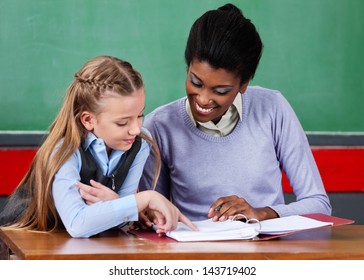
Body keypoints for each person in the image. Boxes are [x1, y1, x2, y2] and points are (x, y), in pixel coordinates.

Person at [138, 4, 332, 224]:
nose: (203, 99)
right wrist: (152, 217)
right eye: (196, 82)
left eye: (221, 91)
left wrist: (261, 213)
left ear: (243, 85)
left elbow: (319, 204)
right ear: (187, 68)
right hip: (194, 254)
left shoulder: (273, 107)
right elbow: (152, 212)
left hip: (267, 254)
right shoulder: (160, 126)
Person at [0, 55, 196, 237]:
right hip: (24, 242)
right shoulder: (65, 150)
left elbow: (119, 220)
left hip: (76, 246)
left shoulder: (140, 144)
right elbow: (78, 223)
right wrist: (144, 199)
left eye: (140, 115)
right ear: (88, 120)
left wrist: (117, 204)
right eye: (122, 122)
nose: (136, 129)